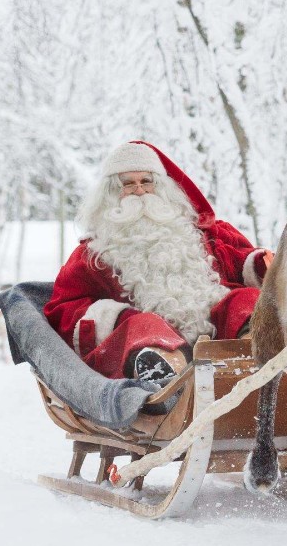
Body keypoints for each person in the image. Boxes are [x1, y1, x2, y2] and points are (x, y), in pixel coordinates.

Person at [44, 141, 272, 382]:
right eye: (128, 184)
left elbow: (244, 260)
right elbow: (64, 308)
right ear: (111, 193)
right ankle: (166, 373)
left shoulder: (204, 233)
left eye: (147, 181)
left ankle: (254, 354)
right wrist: (117, 317)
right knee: (142, 325)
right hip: (147, 345)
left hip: (221, 336)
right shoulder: (93, 253)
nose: (140, 191)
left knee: (246, 300)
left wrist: (265, 265)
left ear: (162, 187)